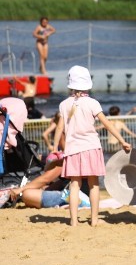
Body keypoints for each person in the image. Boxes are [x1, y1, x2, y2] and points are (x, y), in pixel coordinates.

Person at [51, 66, 131, 227]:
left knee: (75, 185)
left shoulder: (64, 104)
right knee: (94, 184)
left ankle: (73, 221)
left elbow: (59, 128)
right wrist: (122, 141)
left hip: (72, 149)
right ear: (87, 84)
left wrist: (54, 148)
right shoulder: (92, 103)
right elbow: (107, 124)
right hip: (91, 148)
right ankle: (94, 220)